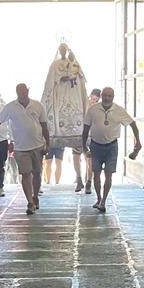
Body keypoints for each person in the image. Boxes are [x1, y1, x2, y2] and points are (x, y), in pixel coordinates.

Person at [81, 86, 141, 214]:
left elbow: (133, 124)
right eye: (105, 95)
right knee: (96, 174)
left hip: (111, 147)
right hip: (95, 146)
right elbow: (85, 129)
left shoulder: (119, 110)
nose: (107, 98)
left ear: (113, 97)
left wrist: (138, 141)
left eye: (110, 96)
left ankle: (103, 201)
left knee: (108, 174)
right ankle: (98, 198)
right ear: (101, 96)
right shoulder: (92, 109)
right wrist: (84, 147)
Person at [41, 43, 88, 191]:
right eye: (60, 50)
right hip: (60, 96)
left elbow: (81, 79)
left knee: (80, 150)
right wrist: (63, 77)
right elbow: (50, 83)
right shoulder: (55, 65)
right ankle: (49, 182)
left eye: (64, 50)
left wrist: (73, 67)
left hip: (73, 97)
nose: (62, 52)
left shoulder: (74, 63)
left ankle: (83, 179)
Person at [0, 84, 50, 215]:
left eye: (24, 91)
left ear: (28, 91)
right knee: (26, 174)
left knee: (37, 174)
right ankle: (30, 202)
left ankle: (35, 196)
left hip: (37, 146)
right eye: (19, 91)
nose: (22, 93)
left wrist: (47, 144)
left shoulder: (38, 105)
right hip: (20, 147)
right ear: (16, 92)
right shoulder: (10, 107)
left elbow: (44, 126)